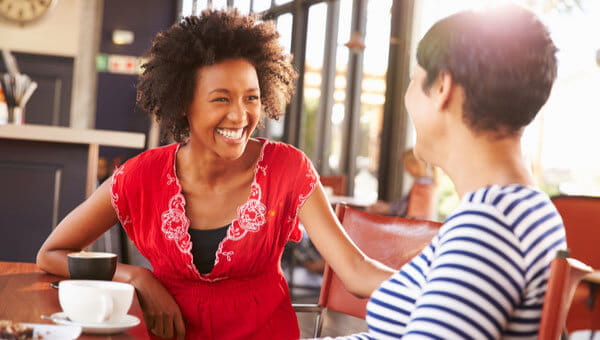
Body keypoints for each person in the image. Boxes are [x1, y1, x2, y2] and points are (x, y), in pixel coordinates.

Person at [36, 10, 393, 340]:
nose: (240, 116)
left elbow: (356, 271)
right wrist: (137, 276)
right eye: (221, 99)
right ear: (183, 103)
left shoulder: (288, 168)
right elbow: (52, 252)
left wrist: (435, 286)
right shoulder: (139, 176)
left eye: (251, 98)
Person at [330, 4, 566, 339]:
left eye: (413, 79)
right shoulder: (519, 209)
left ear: (442, 87)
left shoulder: (490, 223)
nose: (408, 97)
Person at [367, 148, 437, 220]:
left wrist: (387, 208)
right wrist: (388, 206)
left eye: (407, 166)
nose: (406, 170)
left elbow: (405, 206)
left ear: (415, 164)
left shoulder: (422, 184)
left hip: (415, 225)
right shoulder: (427, 182)